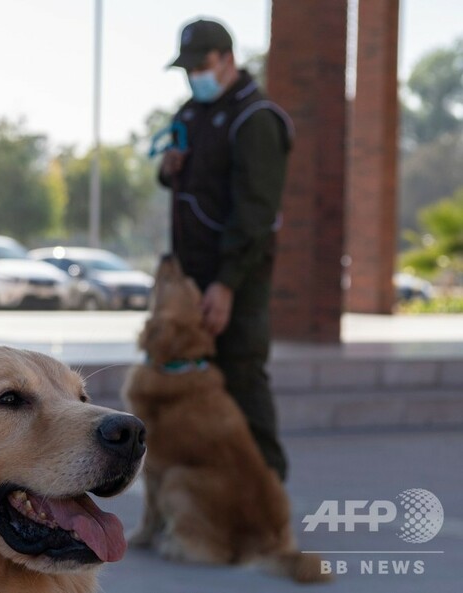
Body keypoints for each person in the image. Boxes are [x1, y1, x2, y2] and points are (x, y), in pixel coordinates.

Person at [159, 18, 293, 481]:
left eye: (202, 65)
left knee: (241, 378)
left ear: (228, 59)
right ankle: (211, 493)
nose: (194, 75)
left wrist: (226, 284)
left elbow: (255, 214)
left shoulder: (256, 119)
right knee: (192, 389)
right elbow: (184, 182)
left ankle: (268, 490)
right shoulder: (189, 114)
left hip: (236, 280)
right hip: (191, 278)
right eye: (187, 68)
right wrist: (168, 168)